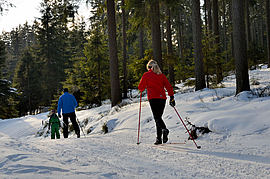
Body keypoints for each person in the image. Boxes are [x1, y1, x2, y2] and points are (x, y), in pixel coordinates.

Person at [138, 60, 175, 145]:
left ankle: (164, 130)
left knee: (157, 118)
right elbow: (169, 86)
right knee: (159, 118)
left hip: (153, 98)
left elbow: (141, 87)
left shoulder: (146, 75)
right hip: (162, 99)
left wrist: (141, 88)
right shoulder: (161, 75)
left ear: (149, 67)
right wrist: (172, 97)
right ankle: (159, 139)